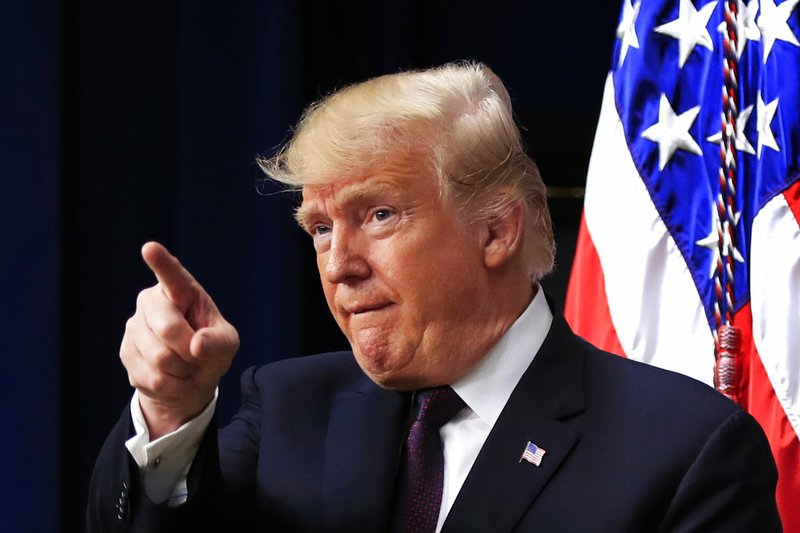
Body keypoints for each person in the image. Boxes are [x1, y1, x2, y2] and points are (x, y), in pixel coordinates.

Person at [87, 62, 780, 532]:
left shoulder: (685, 451)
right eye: (321, 228)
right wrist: (170, 408)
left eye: (379, 215)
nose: (339, 264)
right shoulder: (290, 412)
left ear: (497, 228)